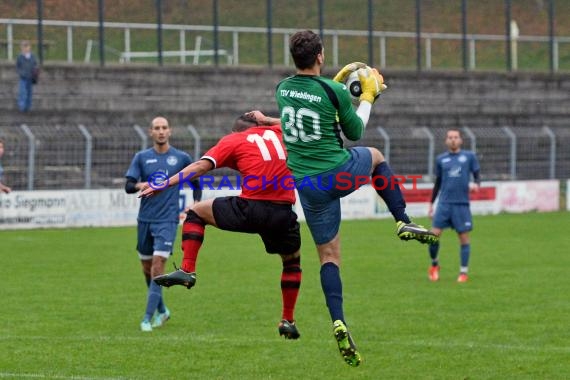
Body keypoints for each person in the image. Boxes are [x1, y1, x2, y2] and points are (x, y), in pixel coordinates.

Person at [265, 29, 438, 367]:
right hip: (336, 173)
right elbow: (354, 131)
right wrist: (368, 97)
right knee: (374, 154)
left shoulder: (282, 89)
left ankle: (338, 320)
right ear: (320, 56)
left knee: (329, 257)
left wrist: (339, 85)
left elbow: (313, 101)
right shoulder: (332, 92)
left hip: (307, 185)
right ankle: (402, 220)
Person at [139, 113, 303, 340]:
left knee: (196, 212)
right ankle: (288, 319)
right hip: (283, 213)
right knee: (292, 263)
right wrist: (267, 119)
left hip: (251, 209)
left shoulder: (233, 140)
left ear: (235, 131)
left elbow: (199, 167)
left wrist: (164, 184)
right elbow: (297, 123)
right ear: (260, 125)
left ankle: (187, 270)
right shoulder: (280, 133)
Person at [125, 116, 202, 332]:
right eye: (157, 128)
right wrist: (143, 184)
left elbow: (197, 181)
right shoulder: (142, 158)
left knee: (158, 267)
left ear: (170, 131)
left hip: (167, 221)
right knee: (147, 269)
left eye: (164, 128)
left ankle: (147, 319)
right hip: (145, 221)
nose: (161, 131)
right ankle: (163, 310)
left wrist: (195, 205)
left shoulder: (180, 158)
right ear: (150, 132)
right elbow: (128, 185)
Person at [427, 129, 481, 283]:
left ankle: (463, 272)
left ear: (461, 140)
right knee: (433, 237)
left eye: (455, 137)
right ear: (446, 141)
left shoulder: (469, 157)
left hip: (461, 204)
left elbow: (477, 175)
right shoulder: (441, 159)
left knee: (464, 238)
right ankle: (434, 265)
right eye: (450, 137)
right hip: (444, 204)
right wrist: (431, 204)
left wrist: (477, 185)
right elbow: (437, 183)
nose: (453, 140)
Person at [16, 40, 38, 112]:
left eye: (27, 46)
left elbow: (35, 65)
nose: (25, 48)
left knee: (29, 92)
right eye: (23, 47)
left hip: (30, 77)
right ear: (21, 48)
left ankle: (28, 107)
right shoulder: (20, 56)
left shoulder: (32, 56)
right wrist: (21, 73)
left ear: (29, 47)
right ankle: (22, 107)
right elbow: (18, 66)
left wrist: (35, 72)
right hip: (23, 77)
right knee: (22, 92)